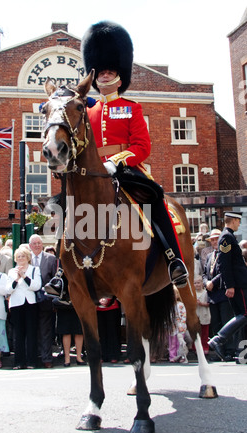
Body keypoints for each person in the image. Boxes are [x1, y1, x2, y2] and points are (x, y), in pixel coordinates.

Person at [81, 21, 188, 288]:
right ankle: (63, 273)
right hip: (95, 172)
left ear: (119, 74)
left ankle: (174, 259)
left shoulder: (131, 108)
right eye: (101, 71)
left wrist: (115, 162)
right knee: (68, 206)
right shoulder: (88, 111)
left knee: (154, 201)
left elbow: (142, 146)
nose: (104, 75)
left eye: (109, 71)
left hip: (127, 171)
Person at [208, 212, 247, 361]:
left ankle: (242, 353)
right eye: (238, 221)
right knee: (244, 314)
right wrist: (229, 285)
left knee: (241, 317)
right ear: (234, 220)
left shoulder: (228, 237)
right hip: (237, 284)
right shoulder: (226, 238)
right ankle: (219, 339)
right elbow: (223, 263)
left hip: (237, 283)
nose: (239, 224)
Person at [203, 229, 236, 360]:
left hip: (223, 293)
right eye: (212, 240)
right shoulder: (210, 256)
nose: (215, 242)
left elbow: (225, 270)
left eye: (217, 239)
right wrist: (206, 283)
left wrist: (213, 282)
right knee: (216, 323)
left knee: (226, 322)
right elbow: (205, 273)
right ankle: (219, 351)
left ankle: (229, 350)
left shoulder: (225, 253)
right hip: (212, 296)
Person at [6, 246, 41, 369]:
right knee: (18, 334)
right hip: (16, 304)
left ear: (28, 258)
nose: (21, 258)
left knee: (31, 333)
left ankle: (31, 361)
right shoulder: (11, 272)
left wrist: (25, 277)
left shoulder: (34, 269)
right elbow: (8, 289)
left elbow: (37, 286)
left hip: (30, 304)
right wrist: (16, 279)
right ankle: (18, 362)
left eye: (23, 256)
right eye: (19, 256)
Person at [28, 234, 57, 368]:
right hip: (29, 300)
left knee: (46, 331)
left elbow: (55, 279)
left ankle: (47, 358)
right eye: (34, 243)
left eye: (39, 243)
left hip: (45, 300)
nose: (37, 245)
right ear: (30, 246)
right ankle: (34, 358)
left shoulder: (50, 259)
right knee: (32, 330)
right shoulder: (26, 258)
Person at [53, 298, 86, 367]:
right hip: (63, 303)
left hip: (79, 302)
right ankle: (67, 358)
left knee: (79, 331)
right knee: (66, 331)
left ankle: (79, 357)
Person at [96, 298, 122, 363]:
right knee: (101, 332)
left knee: (113, 332)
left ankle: (114, 355)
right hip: (98, 306)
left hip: (112, 305)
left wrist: (108, 299)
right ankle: (103, 355)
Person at [168, 288, 188, 363]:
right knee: (172, 343)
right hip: (172, 326)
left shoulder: (181, 305)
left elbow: (184, 315)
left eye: (175, 294)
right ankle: (172, 356)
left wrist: (182, 325)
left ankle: (181, 356)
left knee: (180, 342)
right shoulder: (168, 306)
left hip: (180, 326)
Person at [194, 275, 211, 354]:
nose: (197, 284)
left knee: (204, 333)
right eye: (195, 283)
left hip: (204, 314)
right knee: (196, 332)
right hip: (196, 314)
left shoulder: (206, 293)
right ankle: (196, 348)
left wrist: (201, 304)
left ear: (202, 283)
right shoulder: (193, 293)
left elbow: (208, 303)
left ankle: (205, 347)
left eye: (198, 283)